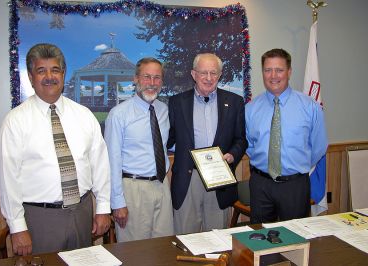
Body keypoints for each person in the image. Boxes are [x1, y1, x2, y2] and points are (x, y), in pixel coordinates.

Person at [0, 43, 111, 255]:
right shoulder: (15, 121)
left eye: (55, 70)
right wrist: (18, 227)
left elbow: (100, 165)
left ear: (63, 74)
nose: (49, 76)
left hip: (82, 213)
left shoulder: (84, 115)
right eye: (41, 71)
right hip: (40, 219)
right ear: (31, 77)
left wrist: (103, 208)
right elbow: (7, 179)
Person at [167, 53, 247, 234]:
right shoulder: (177, 102)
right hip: (188, 177)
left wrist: (233, 154)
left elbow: (241, 139)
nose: (209, 78)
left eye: (214, 73)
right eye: (204, 73)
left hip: (218, 178)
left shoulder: (234, 102)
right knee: (185, 237)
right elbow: (169, 138)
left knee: (217, 236)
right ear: (194, 74)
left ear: (219, 75)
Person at [245, 48, 328, 223]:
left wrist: (294, 166)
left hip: (295, 185)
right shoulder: (251, 109)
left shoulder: (310, 107)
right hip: (261, 184)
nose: (273, 75)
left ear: (289, 72)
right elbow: (249, 145)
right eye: (268, 70)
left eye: (279, 70)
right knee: (260, 240)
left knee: (295, 241)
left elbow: (319, 147)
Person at [104, 57, 174, 242]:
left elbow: (165, 145)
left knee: (163, 246)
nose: (152, 83)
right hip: (133, 190)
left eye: (157, 78)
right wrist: (117, 202)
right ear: (135, 79)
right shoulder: (119, 114)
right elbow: (112, 160)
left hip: (161, 186)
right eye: (146, 77)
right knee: (134, 253)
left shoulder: (163, 110)